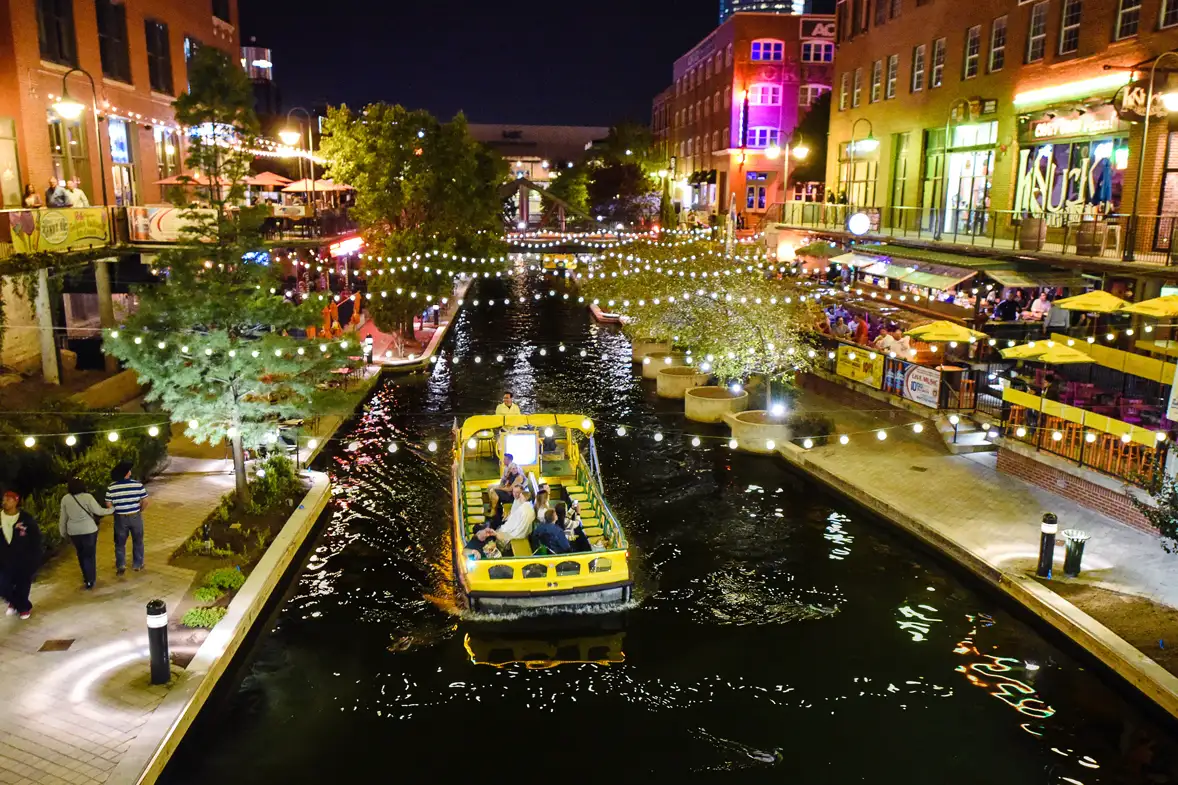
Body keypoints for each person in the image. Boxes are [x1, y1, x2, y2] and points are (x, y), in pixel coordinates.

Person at [59, 477, 112, 590]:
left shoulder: (65, 499)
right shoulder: (87, 497)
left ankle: (86, 577)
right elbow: (98, 511)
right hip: (89, 530)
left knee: (81, 554)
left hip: (74, 532)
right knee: (90, 555)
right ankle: (90, 580)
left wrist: (62, 532)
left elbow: (63, 518)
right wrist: (112, 510)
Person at [0, 490, 41, 619]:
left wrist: (35, 557)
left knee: (23, 583)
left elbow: (36, 538)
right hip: (4, 559)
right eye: (4, 499)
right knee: (3, 585)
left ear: (16, 501)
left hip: (23, 558)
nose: (5, 502)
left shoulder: (25, 519)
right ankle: (20, 603)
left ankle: (22, 607)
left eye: (8, 499)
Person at [107, 462, 149, 575]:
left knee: (120, 543)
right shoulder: (137, 485)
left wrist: (116, 511)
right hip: (135, 516)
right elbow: (145, 501)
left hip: (120, 518)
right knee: (138, 540)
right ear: (127, 473)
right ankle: (137, 564)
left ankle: (121, 564)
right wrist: (139, 510)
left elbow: (108, 503)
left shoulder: (112, 487)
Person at [490, 485, 535, 552]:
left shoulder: (522, 508)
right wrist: (508, 515)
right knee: (496, 521)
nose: (515, 494)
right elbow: (513, 513)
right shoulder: (524, 504)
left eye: (518, 493)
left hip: (518, 531)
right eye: (513, 492)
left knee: (498, 527)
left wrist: (505, 526)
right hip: (512, 521)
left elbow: (514, 522)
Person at [486, 454, 523, 520]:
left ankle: (493, 511)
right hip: (508, 492)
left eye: (515, 468)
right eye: (512, 469)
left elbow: (510, 489)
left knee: (494, 491)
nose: (514, 470)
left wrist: (498, 488)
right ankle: (494, 509)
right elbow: (506, 484)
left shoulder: (519, 477)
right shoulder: (511, 474)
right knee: (493, 491)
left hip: (512, 496)